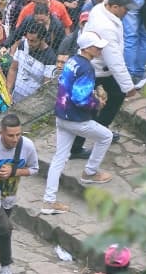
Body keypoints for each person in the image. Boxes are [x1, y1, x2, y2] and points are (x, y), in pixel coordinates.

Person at [41, 33, 115, 216]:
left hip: (61, 115)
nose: (100, 49)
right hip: (76, 119)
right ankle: (90, 172)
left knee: (59, 158)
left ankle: (48, 201)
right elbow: (80, 98)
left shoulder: (72, 61)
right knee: (107, 136)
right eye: (96, 47)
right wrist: (97, 103)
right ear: (87, 48)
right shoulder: (86, 68)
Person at [68, 0, 132, 160]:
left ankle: (100, 131)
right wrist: (129, 86)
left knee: (111, 98)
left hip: (98, 68)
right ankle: (77, 147)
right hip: (98, 70)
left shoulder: (100, 9)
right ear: (115, 7)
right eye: (126, 9)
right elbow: (114, 61)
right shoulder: (107, 27)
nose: (127, 12)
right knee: (91, 107)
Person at [0, 113, 39, 274]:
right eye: (10, 135)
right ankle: (5, 266)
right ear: (1, 133)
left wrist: (14, 172)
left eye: (18, 134)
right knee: (5, 228)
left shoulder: (27, 146)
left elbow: (34, 169)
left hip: (9, 198)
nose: (15, 139)